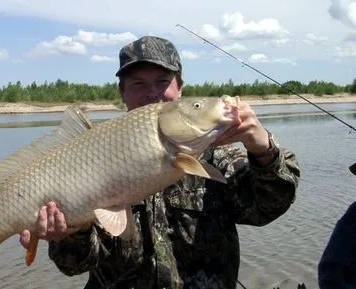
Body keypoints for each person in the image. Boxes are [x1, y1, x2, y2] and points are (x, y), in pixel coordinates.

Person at [19, 35, 301, 289]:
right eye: (138, 84)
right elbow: (74, 266)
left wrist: (262, 148)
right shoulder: (95, 154)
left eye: (162, 82)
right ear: (122, 93)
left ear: (180, 89)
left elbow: (268, 208)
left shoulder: (216, 154)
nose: (152, 93)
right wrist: (72, 234)